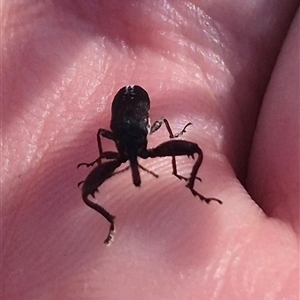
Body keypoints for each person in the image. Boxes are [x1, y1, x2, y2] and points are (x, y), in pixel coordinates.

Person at [2, 2, 299, 299]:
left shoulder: (138, 141)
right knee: (87, 192)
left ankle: (190, 184)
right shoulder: (117, 146)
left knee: (193, 150)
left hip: (134, 121)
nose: (134, 169)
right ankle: (112, 220)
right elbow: (106, 137)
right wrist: (100, 158)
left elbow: (159, 135)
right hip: (127, 123)